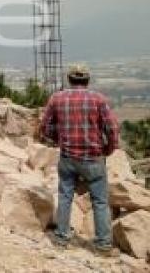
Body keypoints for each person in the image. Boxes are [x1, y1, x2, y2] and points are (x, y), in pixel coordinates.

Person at [40, 64, 119, 256]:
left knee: (65, 196)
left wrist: (58, 139)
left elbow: (44, 126)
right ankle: (103, 245)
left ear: (69, 79)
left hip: (67, 157)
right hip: (93, 157)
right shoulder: (98, 99)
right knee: (99, 201)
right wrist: (107, 150)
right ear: (87, 80)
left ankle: (61, 237)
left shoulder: (57, 98)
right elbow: (112, 128)